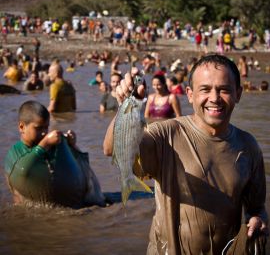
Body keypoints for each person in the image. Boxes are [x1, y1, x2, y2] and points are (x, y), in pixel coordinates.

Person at [103, 55, 268, 254]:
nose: (214, 98)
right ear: (189, 94)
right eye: (205, 89)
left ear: (238, 94)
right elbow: (111, 149)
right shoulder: (166, 134)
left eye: (224, 90)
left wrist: (257, 220)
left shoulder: (248, 146)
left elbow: (257, 208)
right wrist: (126, 107)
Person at [4, 100, 106, 208]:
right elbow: (23, 171)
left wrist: (71, 145)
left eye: (46, 127)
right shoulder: (15, 153)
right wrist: (45, 143)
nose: (44, 132)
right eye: (38, 128)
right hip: (30, 210)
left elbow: (82, 166)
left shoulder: (51, 148)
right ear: (21, 127)